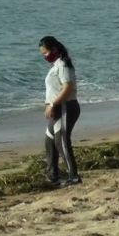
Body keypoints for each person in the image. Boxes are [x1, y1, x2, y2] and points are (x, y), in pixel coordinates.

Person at [39, 35, 81, 187]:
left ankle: (74, 176)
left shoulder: (63, 64)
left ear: (54, 49)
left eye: (45, 52)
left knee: (62, 141)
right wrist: (48, 104)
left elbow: (67, 87)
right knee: (49, 141)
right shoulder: (56, 65)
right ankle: (52, 176)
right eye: (42, 54)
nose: (44, 56)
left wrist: (53, 104)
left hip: (66, 107)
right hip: (57, 108)